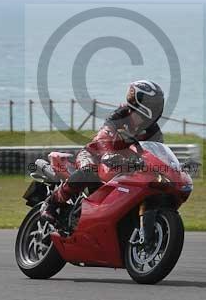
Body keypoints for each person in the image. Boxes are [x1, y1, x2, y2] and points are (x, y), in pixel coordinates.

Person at [41, 80, 165, 224]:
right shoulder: (120, 115)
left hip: (124, 167)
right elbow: (103, 137)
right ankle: (51, 203)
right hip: (95, 155)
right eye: (152, 104)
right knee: (89, 170)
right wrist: (109, 154)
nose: (155, 107)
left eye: (157, 104)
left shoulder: (153, 131)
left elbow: (157, 153)